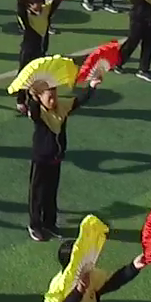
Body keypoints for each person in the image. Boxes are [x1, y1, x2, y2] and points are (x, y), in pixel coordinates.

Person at [24, 72, 99, 242]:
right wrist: (32, 96)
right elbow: (33, 109)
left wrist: (92, 86)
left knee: (51, 192)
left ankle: (49, 223)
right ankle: (35, 225)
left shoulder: (61, 108)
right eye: (49, 97)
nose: (53, 100)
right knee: (37, 194)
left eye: (55, 95)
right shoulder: (39, 112)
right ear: (39, 97)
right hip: (41, 159)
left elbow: (79, 101)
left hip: (55, 159)